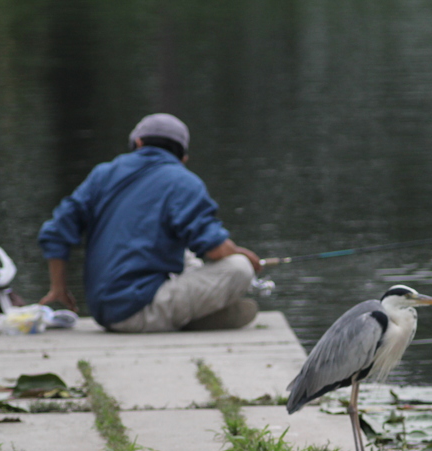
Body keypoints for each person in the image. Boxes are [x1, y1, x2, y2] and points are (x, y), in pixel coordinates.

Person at [37, 113, 263, 332]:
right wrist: (239, 253)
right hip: (137, 310)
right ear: (183, 157)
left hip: (101, 310)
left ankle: (184, 311)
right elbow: (215, 249)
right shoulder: (183, 181)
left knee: (184, 253)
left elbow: (57, 231)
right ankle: (188, 315)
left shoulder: (103, 174)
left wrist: (59, 288)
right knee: (239, 268)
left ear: (138, 142)